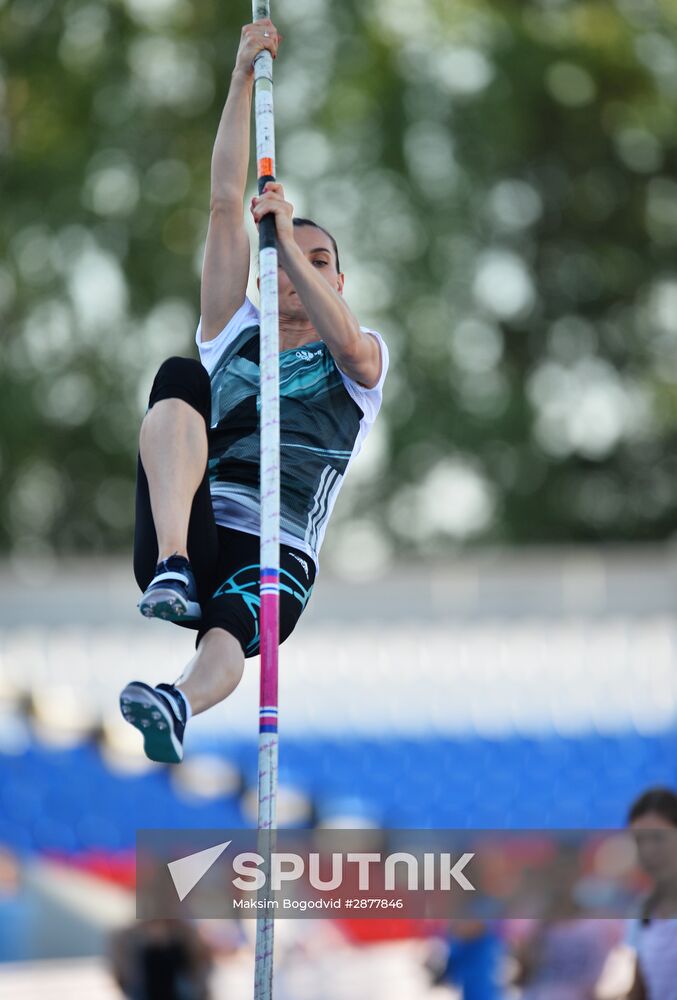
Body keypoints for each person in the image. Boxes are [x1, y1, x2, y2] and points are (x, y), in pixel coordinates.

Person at [118, 19, 388, 764]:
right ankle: (172, 565)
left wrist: (285, 244)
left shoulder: (359, 362)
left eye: (320, 259)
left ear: (338, 279)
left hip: (276, 546)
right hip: (194, 527)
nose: (302, 268)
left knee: (232, 625)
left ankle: (177, 701)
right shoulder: (231, 330)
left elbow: (349, 345)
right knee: (179, 376)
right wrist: (241, 77)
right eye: (287, 258)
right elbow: (218, 202)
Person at [624, 786, 677, 1000]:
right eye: (640, 841)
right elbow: (639, 990)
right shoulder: (643, 911)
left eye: (658, 838)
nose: (648, 851)